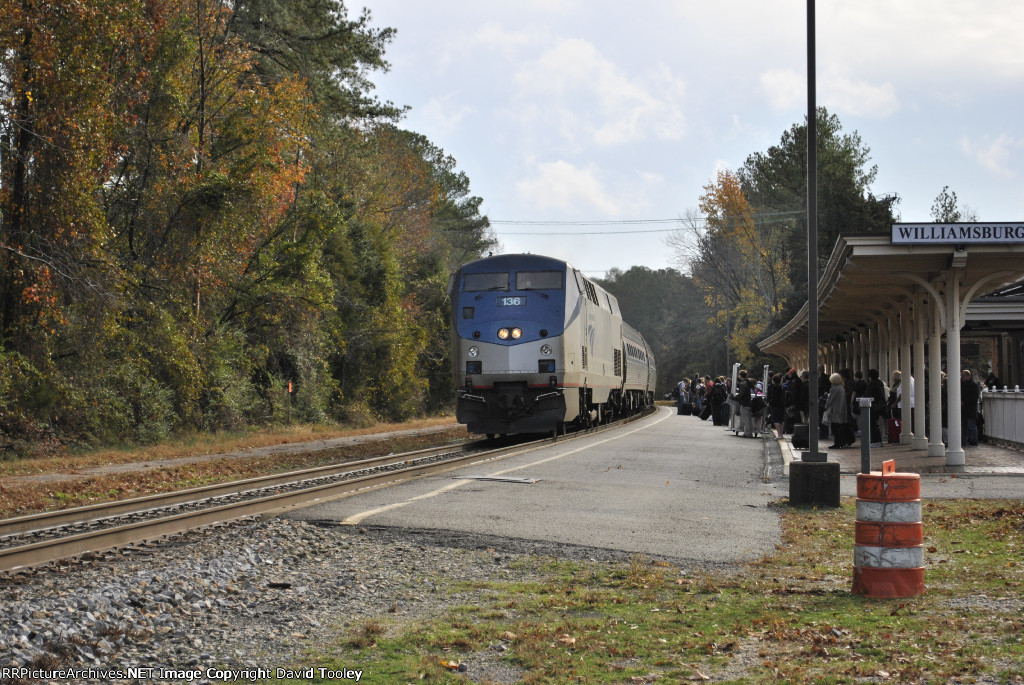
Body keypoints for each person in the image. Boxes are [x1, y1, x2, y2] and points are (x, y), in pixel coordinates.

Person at [824, 372, 852, 449]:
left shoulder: (834, 389)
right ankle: (841, 442)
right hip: (842, 409)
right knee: (840, 427)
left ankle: (837, 443)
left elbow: (830, 400)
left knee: (835, 428)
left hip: (835, 410)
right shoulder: (842, 388)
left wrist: (826, 406)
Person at [865, 368, 886, 447]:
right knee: (875, 423)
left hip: (873, 406)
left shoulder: (873, 384)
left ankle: (876, 441)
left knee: (873, 424)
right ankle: (878, 441)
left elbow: (868, 394)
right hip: (879, 406)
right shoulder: (880, 383)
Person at [961, 369, 981, 447]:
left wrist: (964, 402)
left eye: (963, 376)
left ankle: (973, 440)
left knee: (971, 425)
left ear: (968, 376)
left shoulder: (973, 386)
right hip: (964, 409)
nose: (962, 377)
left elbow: (974, 398)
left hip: (970, 409)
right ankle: (964, 440)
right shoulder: (962, 385)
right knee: (964, 425)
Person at [733, 369, 753, 438]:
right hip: (749, 402)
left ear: (740, 376)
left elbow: (741, 394)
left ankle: (747, 433)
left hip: (744, 403)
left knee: (746, 419)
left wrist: (735, 397)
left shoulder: (742, 384)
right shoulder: (748, 382)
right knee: (749, 419)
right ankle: (749, 432)